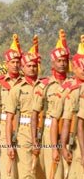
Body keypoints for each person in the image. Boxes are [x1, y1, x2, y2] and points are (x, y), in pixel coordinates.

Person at [31, 29, 70, 179]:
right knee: (53, 171)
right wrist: (34, 138)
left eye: (64, 61)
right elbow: (35, 113)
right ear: (53, 62)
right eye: (59, 61)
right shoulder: (44, 86)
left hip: (69, 132)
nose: (62, 64)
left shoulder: (73, 84)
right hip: (49, 133)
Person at [5, 35, 41, 178]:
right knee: (27, 173)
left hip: (43, 132)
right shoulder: (16, 89)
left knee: (41, 172)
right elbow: (9, 119)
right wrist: (9, 144)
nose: (32, 69)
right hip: (23, 133)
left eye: (34, 66)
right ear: (23, 67)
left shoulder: (45, 86)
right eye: (29, 66)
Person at [0, 34, 22, 178]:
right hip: (3, 129)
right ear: (6, 64)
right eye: (12, 62)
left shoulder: (25, 82)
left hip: (21, 128)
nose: (15, 64)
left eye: (17, 61)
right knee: (8, 168)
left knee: (21, 168)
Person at [59, 35, 84, 178]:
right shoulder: (73, 90)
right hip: (76, 141)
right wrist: (62, 146)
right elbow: (67, 120)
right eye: (81, 67)